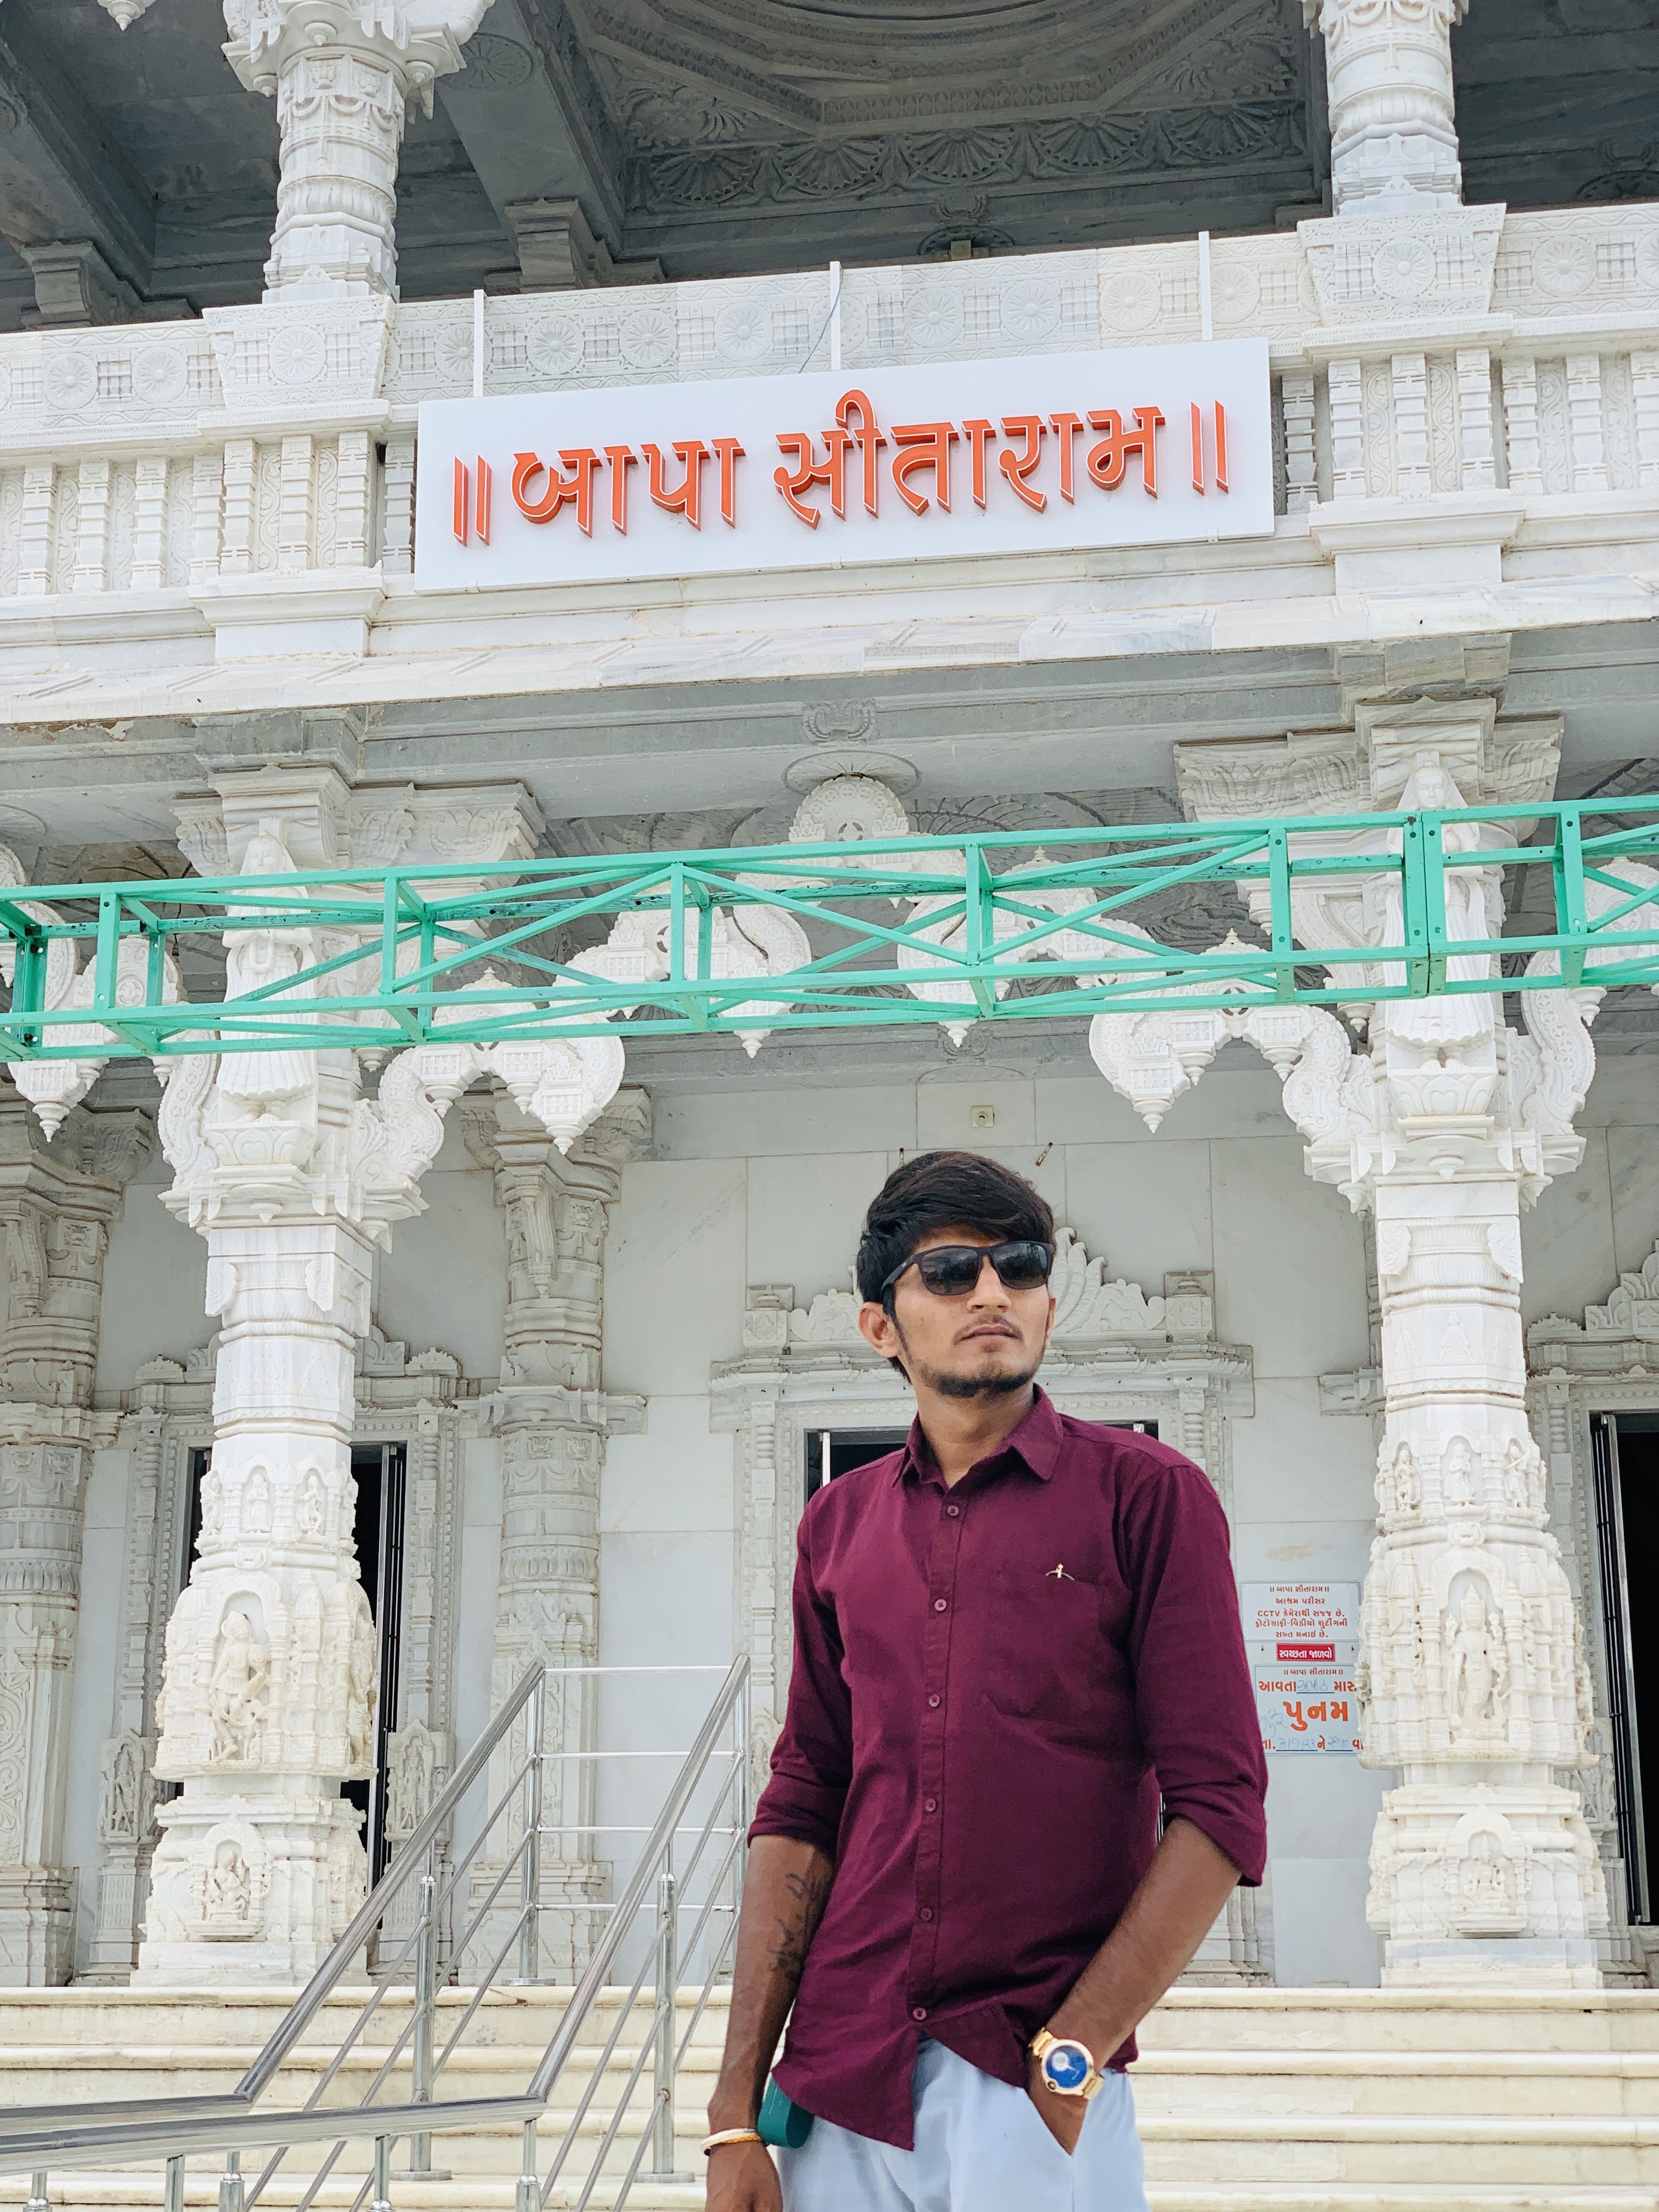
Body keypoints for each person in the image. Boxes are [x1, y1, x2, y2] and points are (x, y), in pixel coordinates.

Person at [704, 1150, 1267, 2212]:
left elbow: (1222, 1803)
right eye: (951, 1272)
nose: (993, 1292)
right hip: (841, 2078)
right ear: (882, 1326)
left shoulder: (1147, 1497)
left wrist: (1075, 2054)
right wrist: (736, 2108)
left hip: (1029, 2076)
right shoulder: (839, 1523)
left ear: (1050, 1301)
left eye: (1021, 1265)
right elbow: (805, 1797)